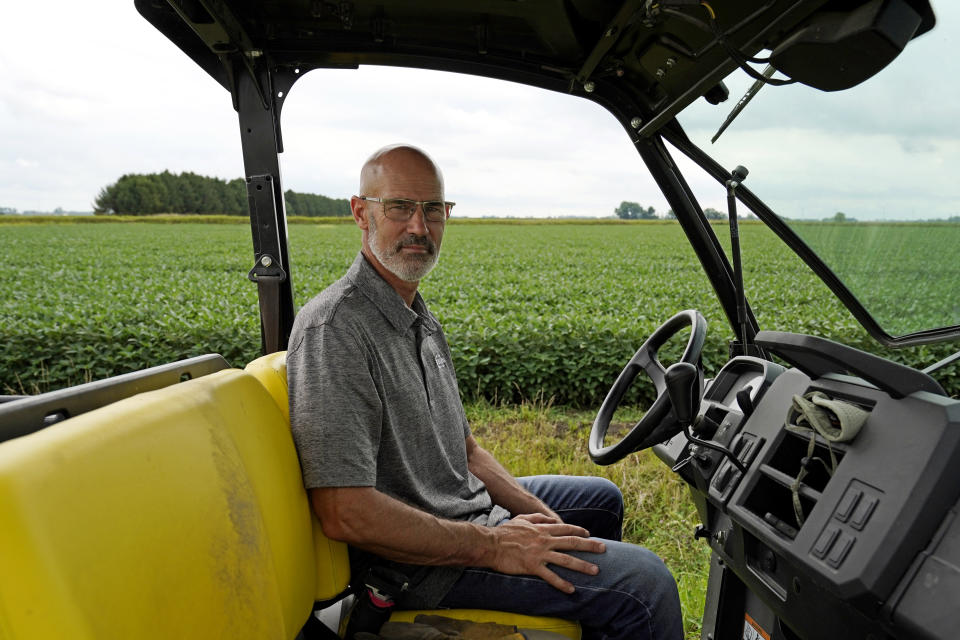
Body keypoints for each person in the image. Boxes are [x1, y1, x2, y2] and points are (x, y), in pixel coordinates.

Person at [287, 144, 683, 640]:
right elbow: (345, 511)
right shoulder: (335, 329)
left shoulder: (418, 318)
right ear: (360, 212)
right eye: (400, 207)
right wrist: (495, 545)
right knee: (647, 585)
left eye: (434, 209)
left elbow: (467, 452)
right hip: (415, 565)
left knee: (600, 502)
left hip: (461, 510)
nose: (419, 227)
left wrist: (545, 525)